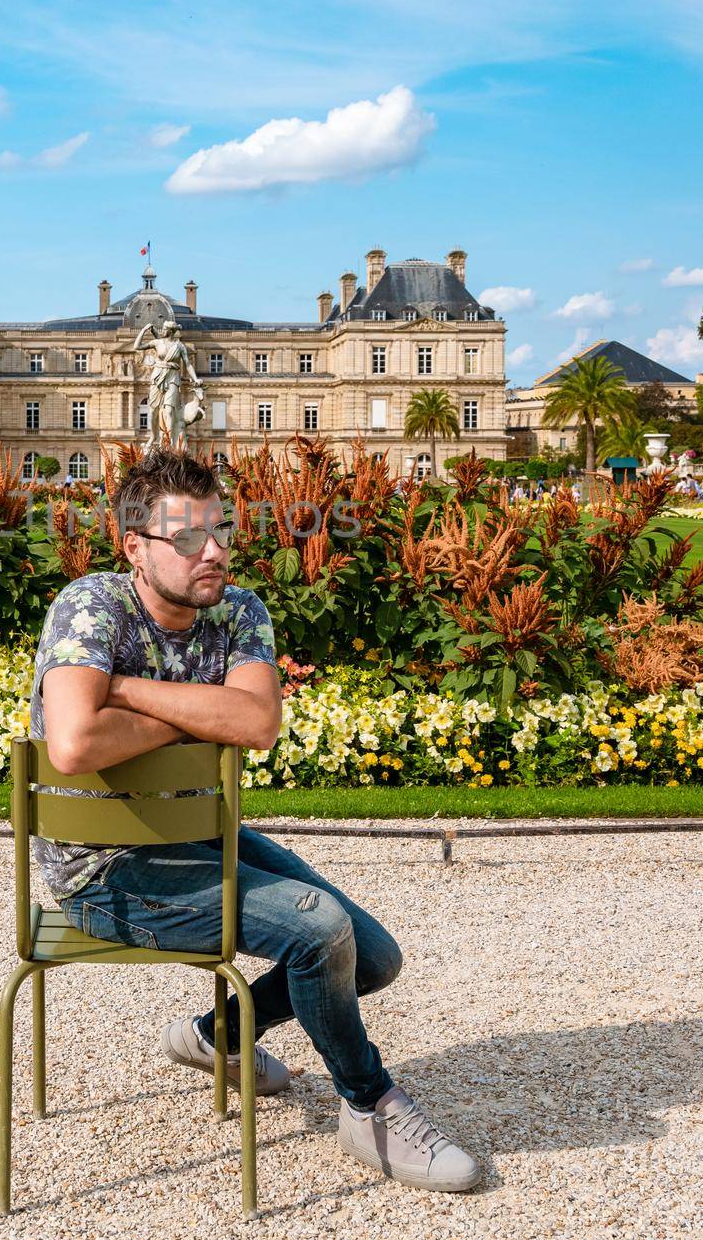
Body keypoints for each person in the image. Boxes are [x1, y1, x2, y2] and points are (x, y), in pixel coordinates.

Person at [29, 446, 482, 1193]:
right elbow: (76, 743)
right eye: (188, 539)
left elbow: (257, 721)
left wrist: (130, 693)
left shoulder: (239, 609)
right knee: (317, 929)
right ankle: (368, 1105)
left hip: (198, 833)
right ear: (135, 548)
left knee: (373, 958)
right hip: (103, 867)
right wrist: (200, 718)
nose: (214, 552)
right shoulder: (91, 605)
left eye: (222, 531)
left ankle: (218, 1036)